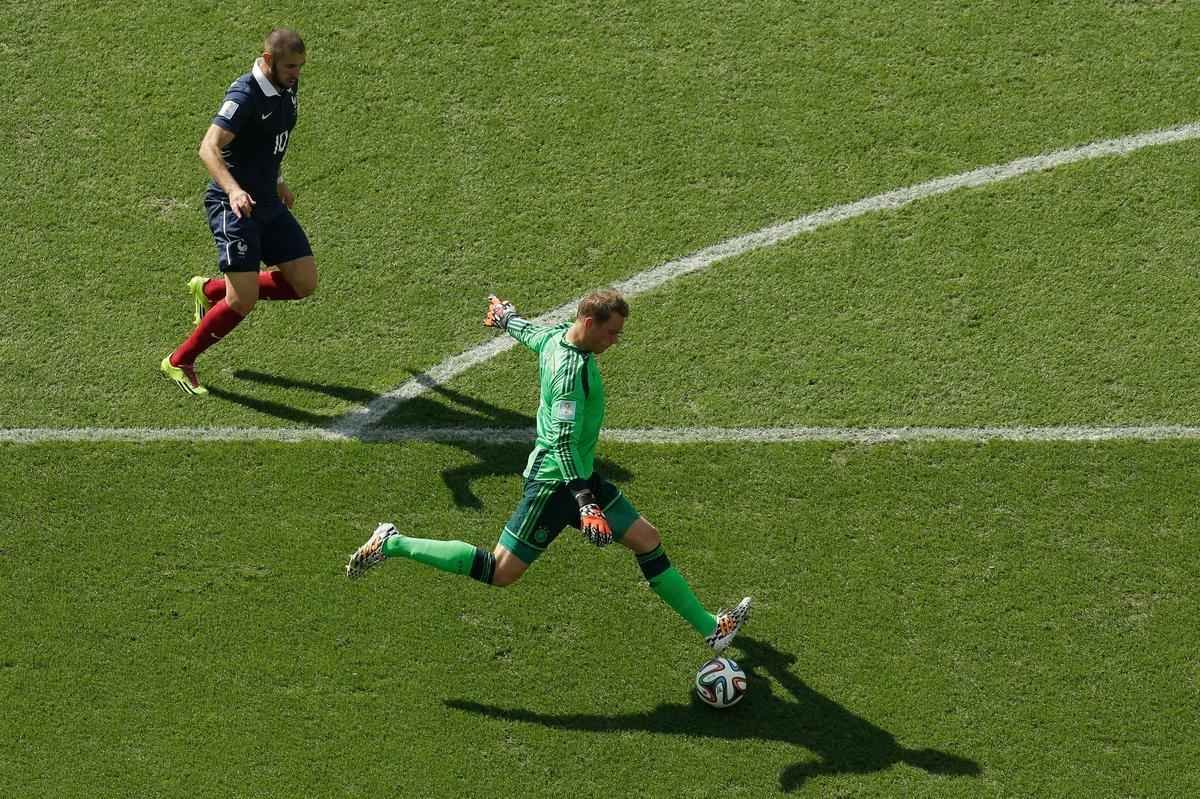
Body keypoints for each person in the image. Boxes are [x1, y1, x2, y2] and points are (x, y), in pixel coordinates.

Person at [346, 290, 751, 652]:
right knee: (500, 571)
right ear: (589, 324)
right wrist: (586, 504)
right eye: (612, 333)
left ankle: (712, 630)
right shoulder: (568, 375)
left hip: (580, 475)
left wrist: (507, 319)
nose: (616, 341)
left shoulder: (560, 336)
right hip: (555, 484)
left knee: (647, 538)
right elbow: (560, 441)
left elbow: (532, 335)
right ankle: (393, 543)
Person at [160, 27, 317, 395]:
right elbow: (208, 148)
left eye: (300, 66)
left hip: (268, 202)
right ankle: (179, 360)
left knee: (304, 283)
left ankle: (210, 290)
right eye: (291, 66)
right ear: (268, 61)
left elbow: (269, 143)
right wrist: (233, 191)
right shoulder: (245, 95)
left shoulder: (286, 87)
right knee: (242, 300)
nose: (297, 74)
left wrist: (278, 181)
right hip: (235, 206)